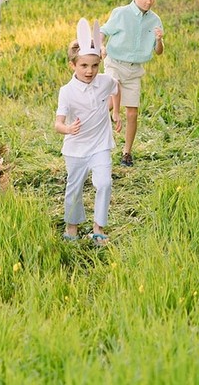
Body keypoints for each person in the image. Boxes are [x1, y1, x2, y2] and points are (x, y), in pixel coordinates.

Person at [55, 18, 121, 246]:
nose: (90, 70)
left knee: (104, 183)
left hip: (100, 144)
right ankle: (72, 226)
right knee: (74, 187)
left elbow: (116, 87)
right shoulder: (67, 92)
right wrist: (68, 128)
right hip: (76, 148)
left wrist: (116, 112)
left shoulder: (104, 81)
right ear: (73, 65)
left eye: (94, 65)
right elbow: (58, 124)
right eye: (84, 65)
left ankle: (98, 229)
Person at [100, 0, 164, 167]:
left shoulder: (155, 20)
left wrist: (159, 40)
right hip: (115, 63)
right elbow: (103, 31)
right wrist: (100, 45)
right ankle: (99, 130)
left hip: (135, 70)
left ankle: (127, 152)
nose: (149, 2)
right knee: (112, 90)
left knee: (133, 113)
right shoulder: (120, 13)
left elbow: (158, 51)